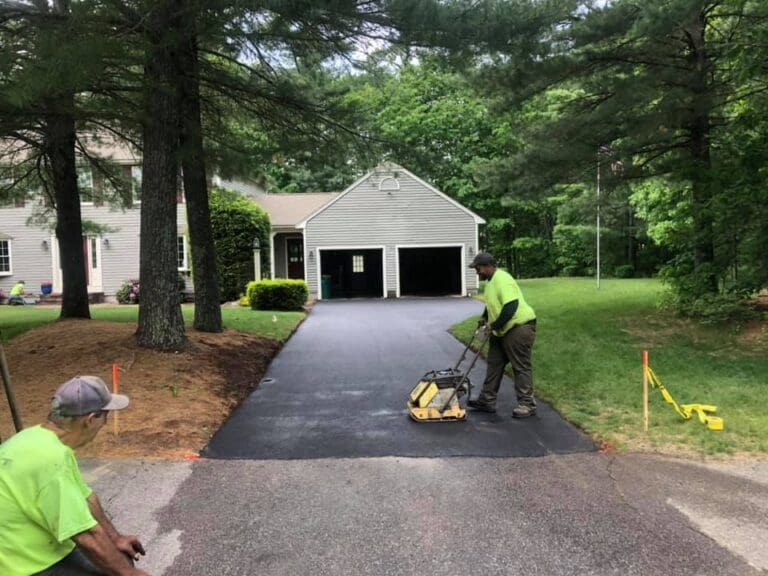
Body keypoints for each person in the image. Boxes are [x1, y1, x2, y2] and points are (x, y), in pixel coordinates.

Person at [0, 376, 150, 576]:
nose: (105, 424)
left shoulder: (35, 438)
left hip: (27, 546)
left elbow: (87, 497)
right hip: (23, 566)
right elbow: (85, 534)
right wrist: (129, 574)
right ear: (90, 420)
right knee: (117, 568)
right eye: (105, 416)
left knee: (119, 557)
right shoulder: (51, 460)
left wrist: (115, 538)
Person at [468, 252, 538, 418]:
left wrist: (494, 325)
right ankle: (487, 400)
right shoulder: (491, 282)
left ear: (488, 266)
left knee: (520, 366)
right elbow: (492, 304)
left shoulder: (502, 279)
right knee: (494, 364)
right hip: (501, 330)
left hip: (518, 327)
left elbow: (511, 306)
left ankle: (527, 404)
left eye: (478, 268)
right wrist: (485, 318)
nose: (477, 272)